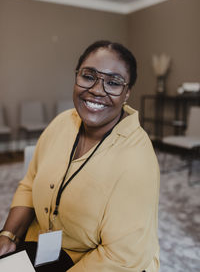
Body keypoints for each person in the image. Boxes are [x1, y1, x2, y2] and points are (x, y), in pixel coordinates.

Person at [0, 40, 160, 271]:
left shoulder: (137, 161)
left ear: (127, 93)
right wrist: (9, 234)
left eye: (113, 83)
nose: (96, 89)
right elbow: (29, 183)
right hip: (47, 247)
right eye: (88, 76)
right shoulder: (61, 123)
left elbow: (122, 256)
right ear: (76, 77)